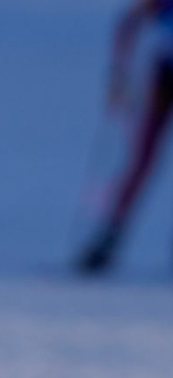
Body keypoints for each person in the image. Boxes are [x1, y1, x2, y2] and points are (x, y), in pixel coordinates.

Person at [77, 0, 173, 272]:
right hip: (166, 74)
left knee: (141, 160)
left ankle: (108, 239)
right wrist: (119, 75)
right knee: (142, 159)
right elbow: (129, 22)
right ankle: (108, 238)